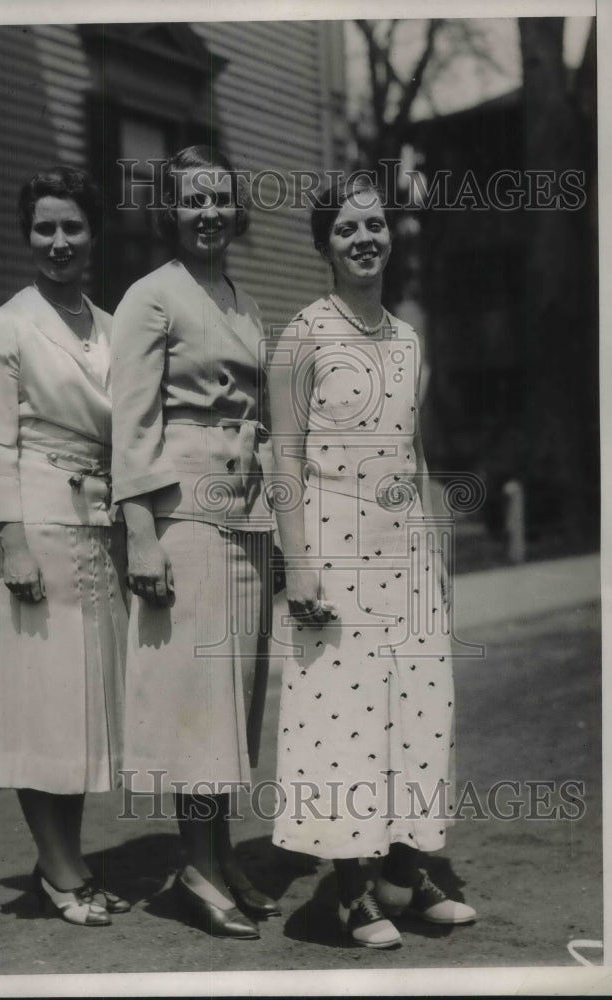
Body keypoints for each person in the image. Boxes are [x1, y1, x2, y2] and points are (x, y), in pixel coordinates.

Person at [268, 175, 476, 948]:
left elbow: (413, 449)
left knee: (418, 713)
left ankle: (404, 873)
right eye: (347, 228)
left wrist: (435, 545)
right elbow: (283, 459)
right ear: (324, 243)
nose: (364, 239)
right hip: (333, 551)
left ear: (391, 236)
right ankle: (349, 891)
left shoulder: (407, 335)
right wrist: (299, 567)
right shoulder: (302, 335)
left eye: (375, 225)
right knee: (343, 721)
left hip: (405, 555)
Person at [110, 145, 279, 940]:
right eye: (192, 202)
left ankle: (218, 854)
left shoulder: (241, 300)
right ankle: (196, 867)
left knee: (235, 696)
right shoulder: (152, 297)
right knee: (195, 697)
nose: (207, 214)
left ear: (233, 210)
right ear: (170, 213)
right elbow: (131, 424)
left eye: (219, 200)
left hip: (245, 510)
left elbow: (260, 409)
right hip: (182, 512)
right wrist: (139, 533)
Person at [0, 165, 130, 927]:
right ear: (26, 234)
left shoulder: (109, 323)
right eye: (44, 227)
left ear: (92, 233)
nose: (58, 241)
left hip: (95, 524)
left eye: (71, 226)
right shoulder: (6, 327)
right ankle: (62, 872)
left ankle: (65, 859)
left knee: (77, 702)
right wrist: (12, 545)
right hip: (36, 521)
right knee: (43, 703)